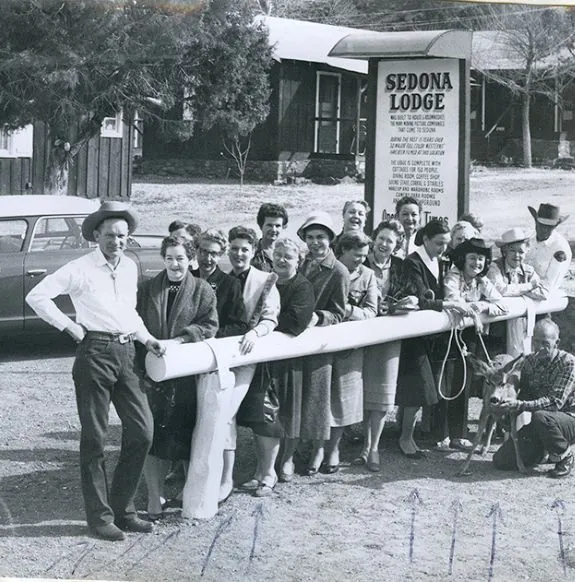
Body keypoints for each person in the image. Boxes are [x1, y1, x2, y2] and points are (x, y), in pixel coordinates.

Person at [26, 201, 166, 541]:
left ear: (127, 237)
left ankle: (123, 509)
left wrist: (148, 340)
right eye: (109, 235)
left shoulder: (130, 266)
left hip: (127, 352)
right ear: (96, 236)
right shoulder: (80, 268)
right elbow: (37, 296)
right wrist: (72, 329)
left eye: (121, 235)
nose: (115, 241)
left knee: (143, 432)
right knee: (95, 440)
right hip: (95, 354)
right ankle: (100, 518)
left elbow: (130, 314)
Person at [137, 236, 218, 519]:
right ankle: (154, 497)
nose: (175, 264)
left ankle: (187, 492)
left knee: (184, 433)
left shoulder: (202, 290)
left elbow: (209, 325)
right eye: (169, 258)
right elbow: (136, 324)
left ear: (191, 260)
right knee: (152, 435)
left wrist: (182, 340)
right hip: (152, 372)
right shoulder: (147, 289)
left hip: (185, 374)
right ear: (163, 259)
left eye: (181, 258)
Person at [238, 238, 315, 494]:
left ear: (298, 261)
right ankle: (260, 470)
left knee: (274, 415)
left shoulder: (302, 286)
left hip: (286, 362)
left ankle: (271, 472)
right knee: (260, 416)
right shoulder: (266, 281)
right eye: (278, 255)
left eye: (288, 257)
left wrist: (263, 322)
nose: (282, 260)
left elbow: (295, 322)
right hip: (261, 358)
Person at [395, 220, 467, 457]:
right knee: (418, 389)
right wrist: (449, 304)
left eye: (446, 244)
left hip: (430, 335)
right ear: (425, 239)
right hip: (411, 333)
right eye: (438, 243)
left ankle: (407, 436)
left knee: (419, 389)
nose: (443, 248)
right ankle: (405, 438)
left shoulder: (438, 262)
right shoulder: (412, 263)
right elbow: (419, 299)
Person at [221, 226, 280, 501]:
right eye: (234, 248)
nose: (239, 254)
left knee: (262, 414)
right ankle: (225, 478)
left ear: (254, 250)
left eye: (245, 249)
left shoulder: (265, 279)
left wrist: (256, 333)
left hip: (256, 354)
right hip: (227, 355)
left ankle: (267, 473)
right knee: (226, 413)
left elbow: (271, 317)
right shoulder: (222, 279)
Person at [438, 238, 507, 452]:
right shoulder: (454, 275)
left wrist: (481, 306)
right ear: (463, 259)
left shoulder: (481, 281)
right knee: (447, 385)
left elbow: (499, 301)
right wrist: (477, 309)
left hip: (470, 338)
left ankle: (458, 434)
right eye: (472, 258)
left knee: (464, 383)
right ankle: (441, 435)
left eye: (480, 259)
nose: (476, 263)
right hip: (447, 336)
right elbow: (454, 300)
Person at [297, 212, 350, 475]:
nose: (315, 243)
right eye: (310, 237)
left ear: (330, 239)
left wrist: (316, 317)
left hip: (321, 342)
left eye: (321, 237)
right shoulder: (299, 263)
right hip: (294, 339)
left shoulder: (338, 271)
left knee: (320, 397)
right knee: (297, 395)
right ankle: (297, 446)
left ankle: (320, 448)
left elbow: (339, 313)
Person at [492, 318, 575, 478]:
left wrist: (519, 404)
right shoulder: (530, 361)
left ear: (556, 343)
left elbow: (555, 402)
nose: (540, 347)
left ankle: (564, 455)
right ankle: (544, 450)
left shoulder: (569, 363)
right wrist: (506, 403)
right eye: (537, 342)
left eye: (545, 343)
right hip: (542, 424)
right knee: (502, 460)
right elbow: (522, 392)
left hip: (568, 419)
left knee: (541, 416)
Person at [326, 232, 377, 472]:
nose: (361, 261)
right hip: (322, 343)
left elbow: (371, 311)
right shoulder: (326, 269)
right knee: (318, 398)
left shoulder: (368, 276)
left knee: (342, 400)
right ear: (343, 251)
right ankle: (313, 449)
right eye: (357, 256)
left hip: (351, 346)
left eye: (365, 256)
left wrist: (346, 310)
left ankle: (333, 450)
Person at [359, 219, 406, 471]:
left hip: (389, 333)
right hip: (362, 332)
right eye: (381, 239)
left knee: (382, 392)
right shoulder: (361, 260)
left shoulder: (399, 266)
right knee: (364, 389)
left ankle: (373, 447)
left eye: (390, 241)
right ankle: (363, 445)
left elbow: (410, 293)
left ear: (396, 245)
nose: (384, 244)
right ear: (374, 238)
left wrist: (399, 304)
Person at [487, 227, 547, 356]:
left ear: (526, 253)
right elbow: (500, 290)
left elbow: (543, 292)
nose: (517, 255)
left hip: (521, 325)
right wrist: (529, 286)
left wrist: (516, 291)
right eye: (512, 250)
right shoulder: (494, 267)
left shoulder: (528, 270)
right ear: (504, 252)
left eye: (521, 251)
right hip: (498, 326)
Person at [192, 228, 248, 338]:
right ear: (196, 251)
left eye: (213, 254)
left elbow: (240, 326)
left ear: (220, 255)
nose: (207, 259)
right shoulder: (187, 278)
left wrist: (207, 334)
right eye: (204, 251)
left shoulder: (230, 284)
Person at [525, 203, 572, 291]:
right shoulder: (529, 240)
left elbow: (550, 284)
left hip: (544, 293)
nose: (545, 229)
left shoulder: (560, 248)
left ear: (555, 226)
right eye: (541, 225)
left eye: (550, 227)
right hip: (522, 287)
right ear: (536, 222)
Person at [251, 203, 289, 273]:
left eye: (277, 226)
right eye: (269, 225)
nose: (274, 230)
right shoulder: (252, 254)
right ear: (261, 226)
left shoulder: (289, 251)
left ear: (283, 227)